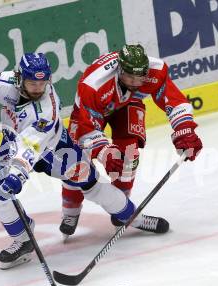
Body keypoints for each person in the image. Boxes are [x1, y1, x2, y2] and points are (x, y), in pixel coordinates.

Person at [0, 53, 169, 269]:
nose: (38, 88)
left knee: (91, 185)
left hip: (54, 149)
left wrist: (17, 175)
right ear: (19, 78)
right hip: (12, 143)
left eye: (42, 82)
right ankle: (23, 239)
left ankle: (132, 217)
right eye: (32, 82)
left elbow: (31, 147)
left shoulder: (47, 108)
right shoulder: (6, 82)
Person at [60, 44, 203, 238]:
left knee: (129, 155)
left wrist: (185, 130)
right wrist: (104, 152)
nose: (136, 82)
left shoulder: (155, 71)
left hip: (128, 103)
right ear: (120, 70)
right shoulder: (93, 85)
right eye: (130, 77)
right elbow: (88, 128)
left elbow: (174, 101)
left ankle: (121, 209)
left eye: (140, 77)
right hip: (91, 113)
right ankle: (71, 210)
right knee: (76, 161)